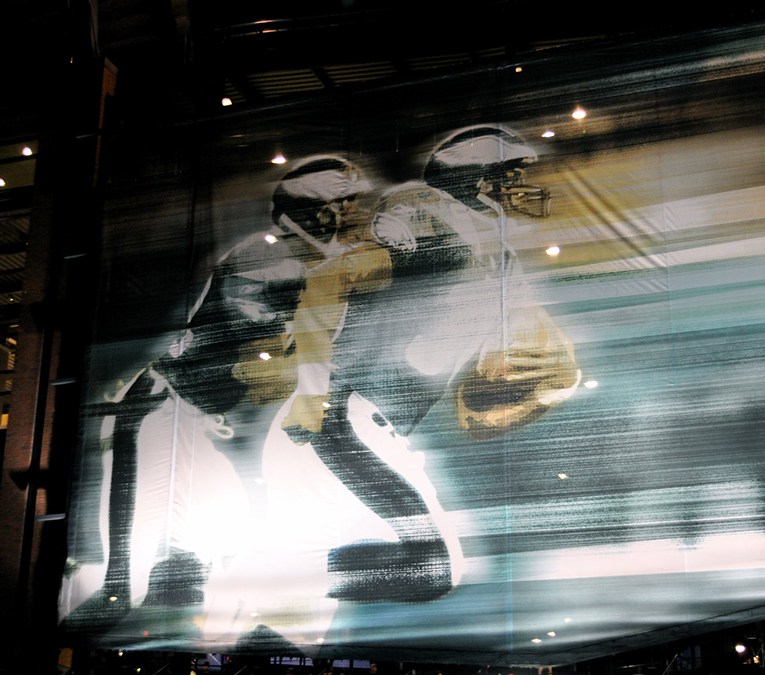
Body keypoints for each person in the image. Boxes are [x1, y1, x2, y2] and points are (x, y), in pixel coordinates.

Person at [59, 155, 376, 644]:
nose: (357, 211)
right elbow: (261, 347)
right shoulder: (272, 257)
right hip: (168, 410)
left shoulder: (316, 262)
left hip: (216, 422)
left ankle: (248, 637)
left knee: (245, 551)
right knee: (128, 582)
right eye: (346, 201)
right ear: (316, 211)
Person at [280, 124, 581, 604]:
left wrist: (551, 378)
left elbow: (522, 332)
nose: (520, 187)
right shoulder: (430, 217)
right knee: (434, 569)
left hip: (378, 420)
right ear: (476, 178)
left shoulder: (495, 252)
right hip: (347, 413)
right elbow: (325, 283)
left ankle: (295, 575)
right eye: (509, 176)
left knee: (431, 566)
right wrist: (312, 393)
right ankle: (284, 577)